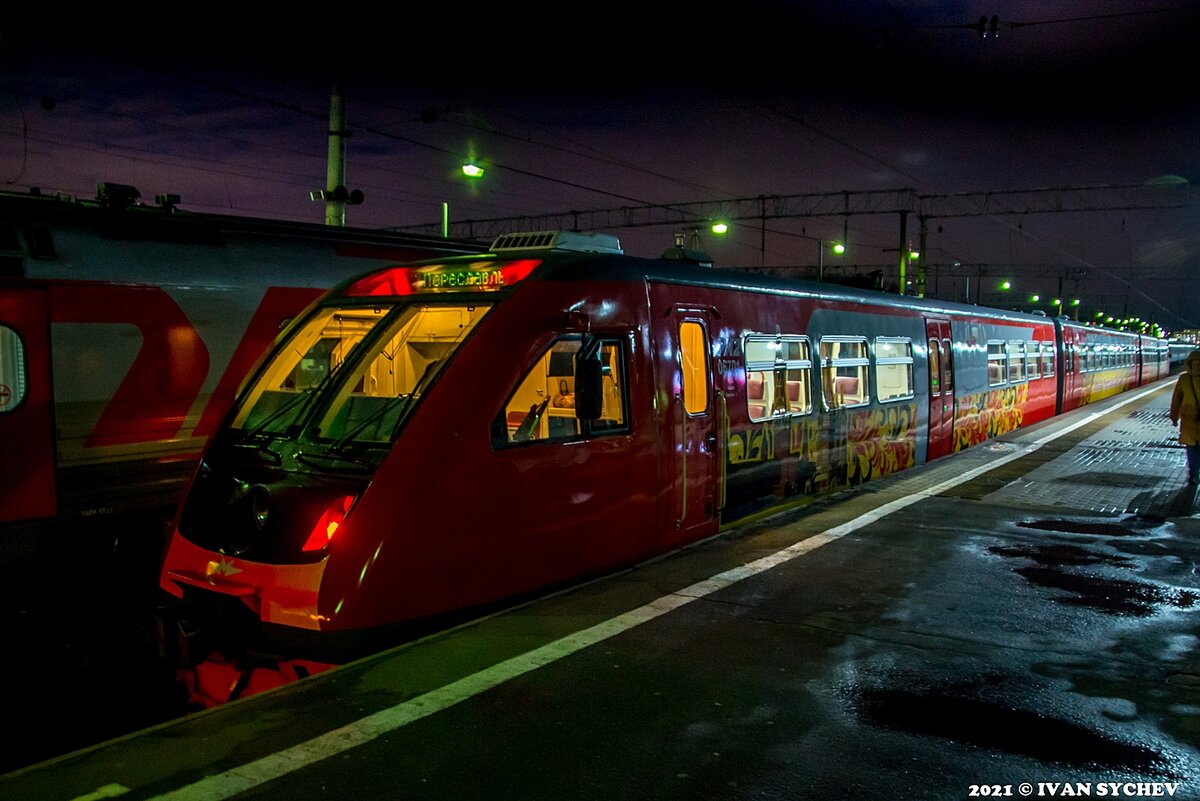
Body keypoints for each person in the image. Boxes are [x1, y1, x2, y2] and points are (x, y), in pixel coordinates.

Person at [1168, 350, 1200, 484]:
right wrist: (1174, 417)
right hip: (1189, 419)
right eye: (1195, 364)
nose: (1197, 366)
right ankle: (1193, 473)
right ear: (1190, 364)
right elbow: (1177, 399)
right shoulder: (1184, 379)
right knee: (1191, 448)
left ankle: (1195, 472)